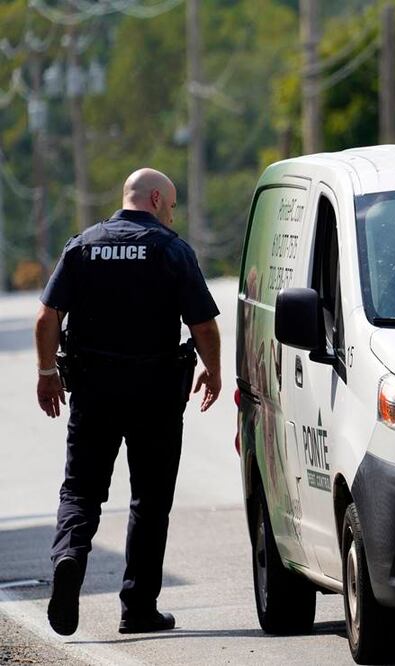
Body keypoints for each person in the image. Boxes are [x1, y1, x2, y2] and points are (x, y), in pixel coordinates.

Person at [34, 168, 222, 636]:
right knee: (150, 501)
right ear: (157, 199)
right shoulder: (172, 250)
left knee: (80, 491)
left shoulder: (83, 246)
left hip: (94, 392)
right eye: (172, 205)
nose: (172, 214)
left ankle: (69, 558)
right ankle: (137, 607)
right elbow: (203, 326)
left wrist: (46, 373)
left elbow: (47, 316)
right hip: (155, 394)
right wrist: (213, 371)